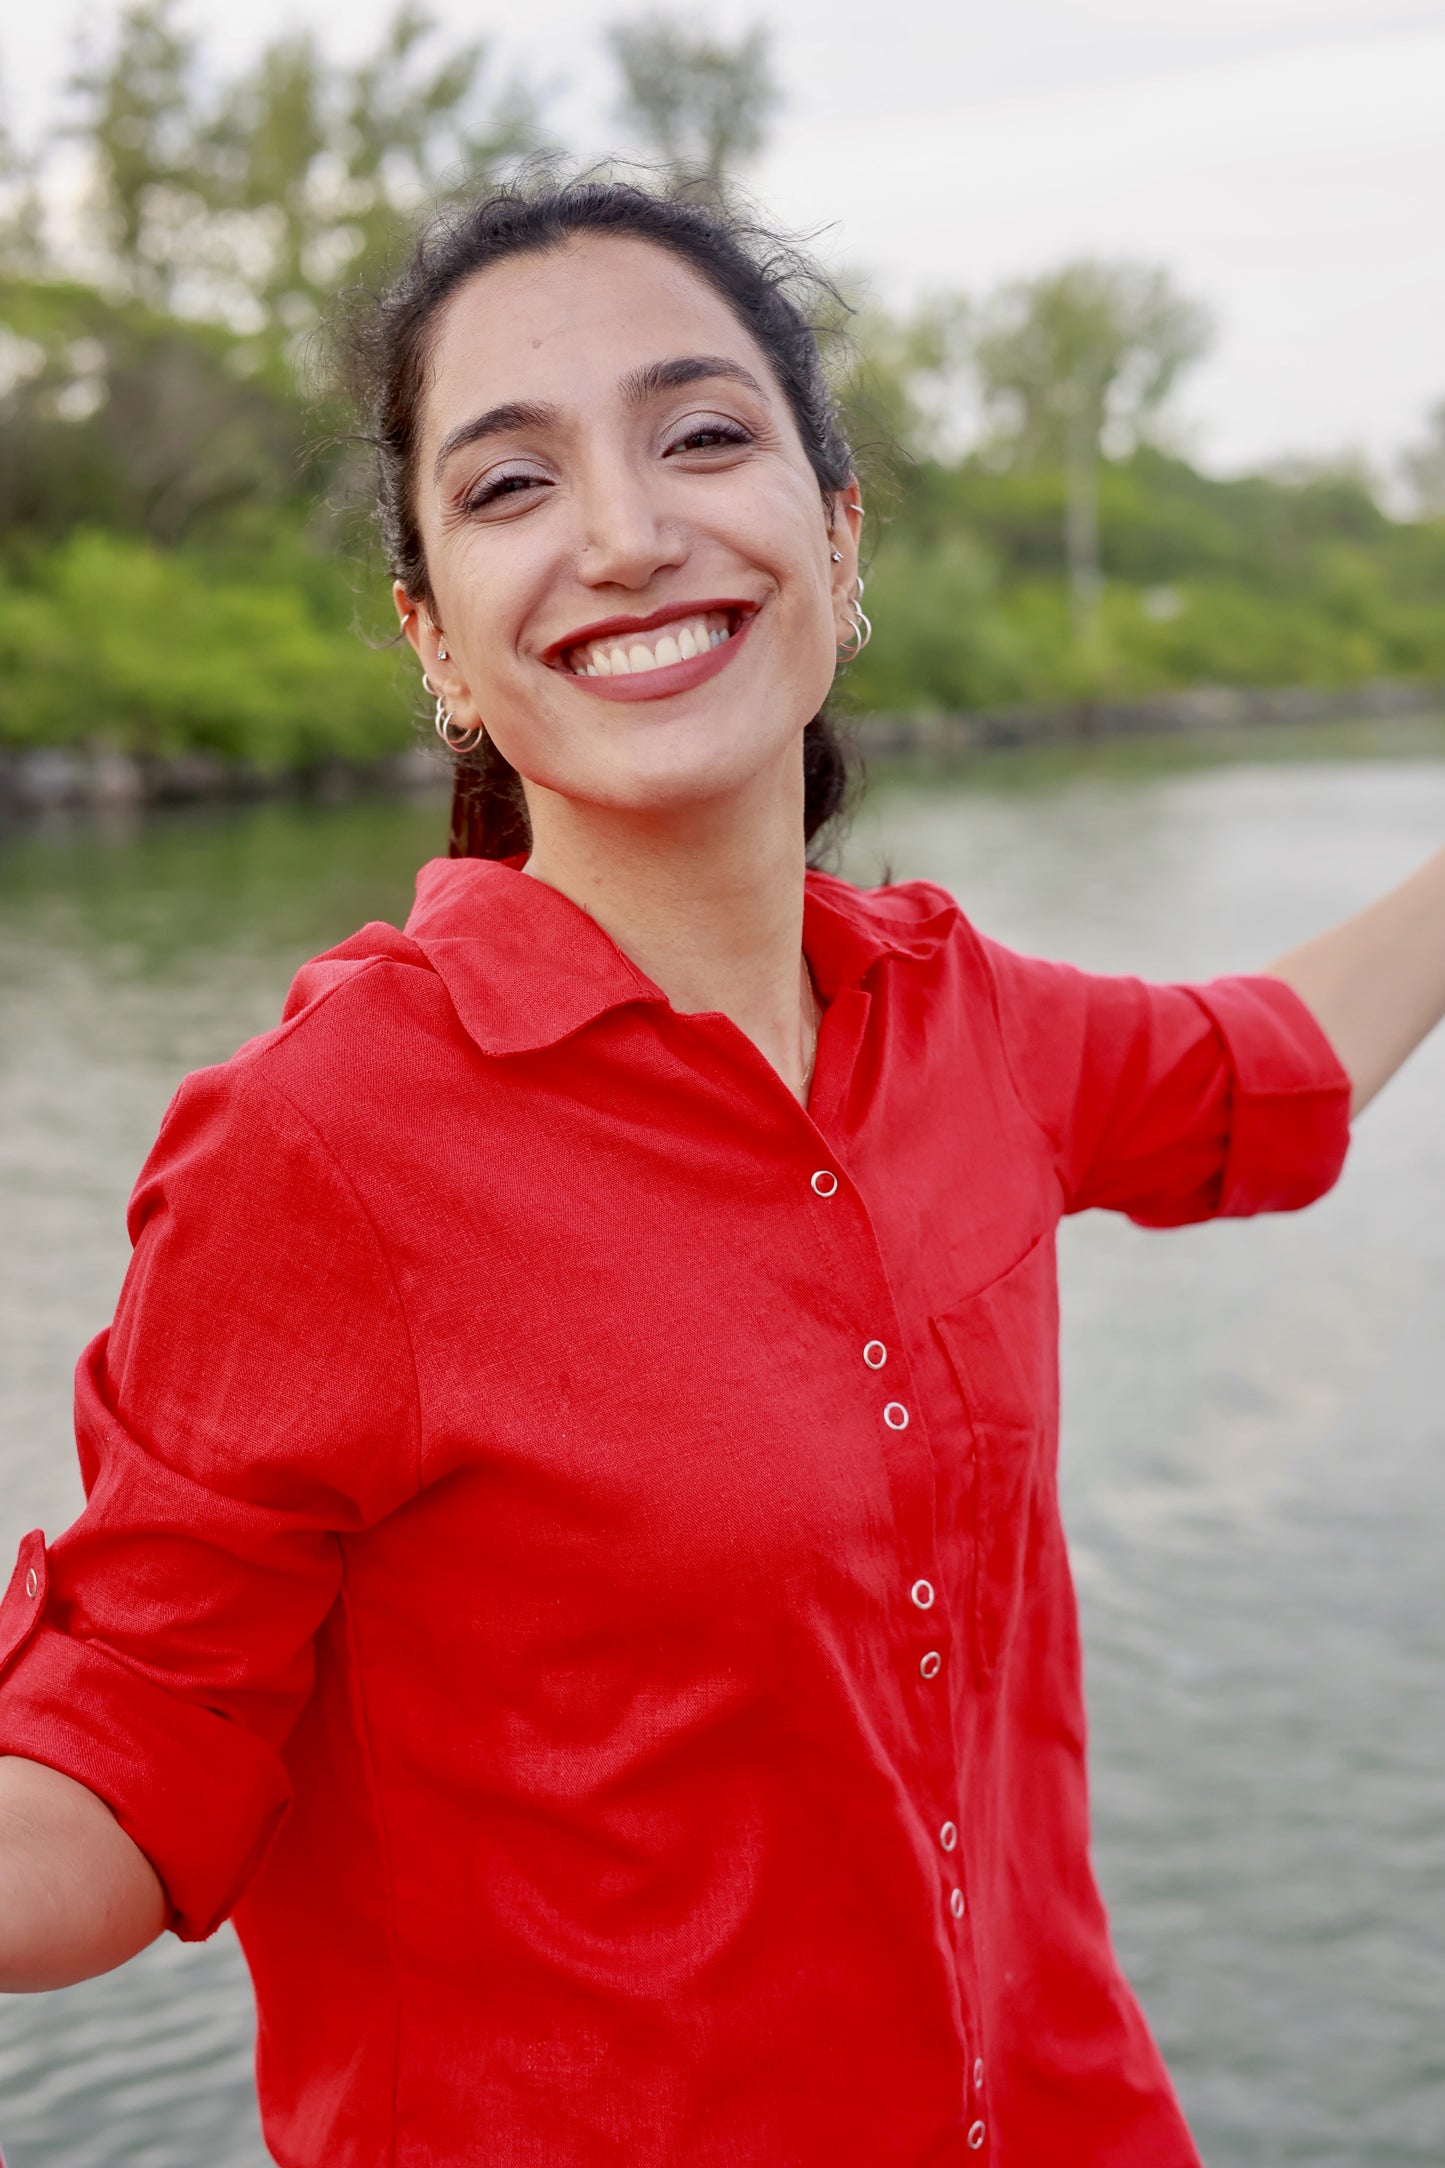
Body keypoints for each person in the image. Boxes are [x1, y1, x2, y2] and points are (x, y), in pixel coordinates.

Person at [0, 177, 1441, 2168]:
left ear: (839, 544)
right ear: (437, 642)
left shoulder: (962, 1021)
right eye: (509, 486)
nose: (622, 530)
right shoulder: (320, 1141)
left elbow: (1268, 1069)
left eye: (701, 434)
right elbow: (114, 1777)